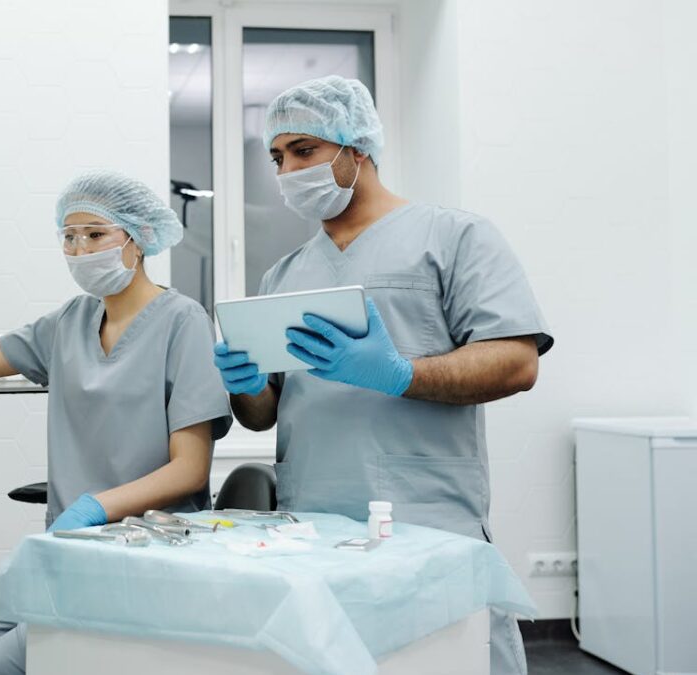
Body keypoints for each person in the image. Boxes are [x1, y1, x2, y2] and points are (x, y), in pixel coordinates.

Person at [213, 75, 552, 675]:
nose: (288, 170)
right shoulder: (283, 275)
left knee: (445, 659)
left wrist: (398, 374)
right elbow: (265, 415)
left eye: (304, 150)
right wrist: (246, 386)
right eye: (278, 157)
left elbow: (517, 362)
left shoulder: (453, 237)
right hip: (312, 526)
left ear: (357, 146)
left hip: (424, 516)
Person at [0, 170, 232, 675]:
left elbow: (190, 469)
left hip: (141, 558)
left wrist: (94, 507)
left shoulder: (183, 321)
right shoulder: (69, 322)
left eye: (95, 234)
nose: (80, 249)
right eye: (69, 236)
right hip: (65, 554)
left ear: (138, 238)